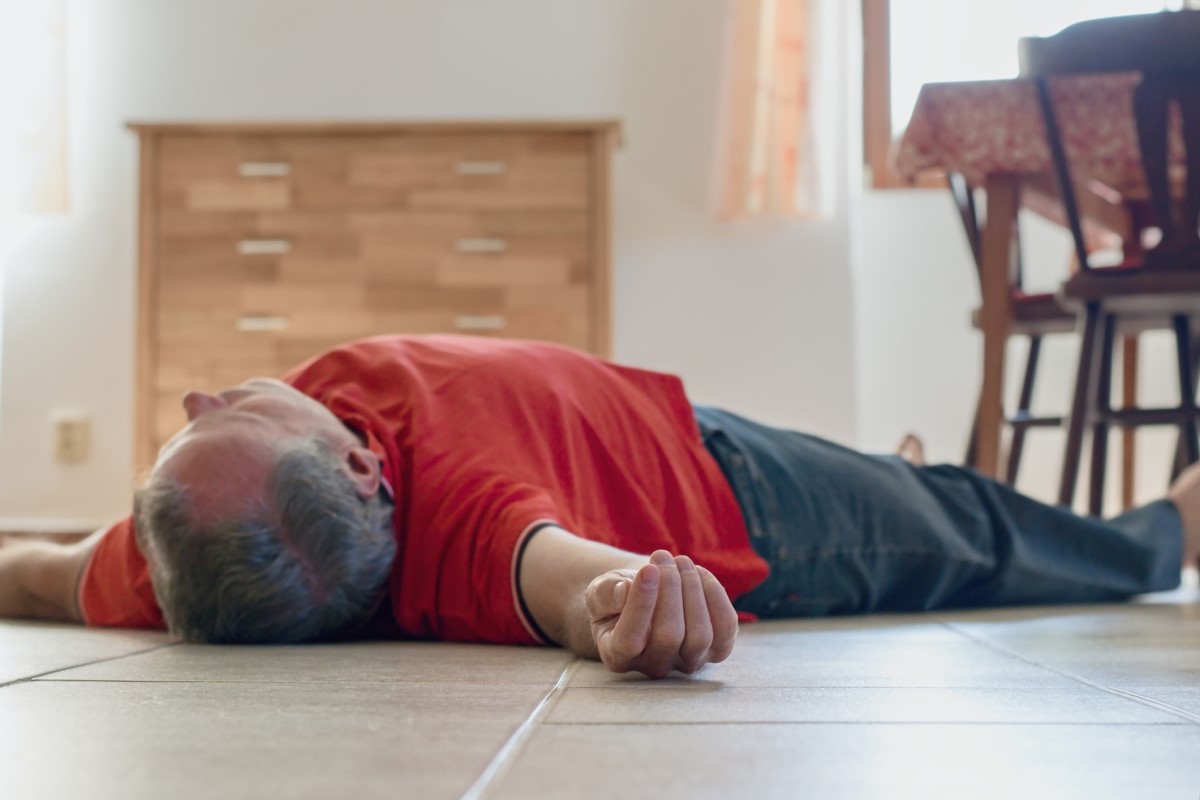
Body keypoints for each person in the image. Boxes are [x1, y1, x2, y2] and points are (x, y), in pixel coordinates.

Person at [0, 334, 1196, 679]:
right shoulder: (464, 513)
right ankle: (1171, 532)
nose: (206, 389)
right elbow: (561, 574)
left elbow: (41, 569)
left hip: (669, 422)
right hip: (747, 494)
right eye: (226, 414)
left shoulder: (179, 554)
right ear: (361, 473)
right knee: (965, 524)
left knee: (925, 496)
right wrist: (633, 599)